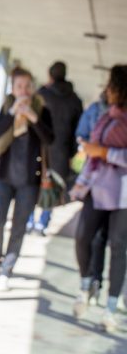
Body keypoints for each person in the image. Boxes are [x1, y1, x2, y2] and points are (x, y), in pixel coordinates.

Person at [0, 67, 54, 291]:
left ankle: (6, 271)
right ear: (13, 88)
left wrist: (32, 117)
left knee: (19, 226)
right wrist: (13, 112)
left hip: (29, 180)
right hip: (4, 175)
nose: (23, 90)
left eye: (27, 86)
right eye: (19, 86)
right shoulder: (6, 107)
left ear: (32, 88)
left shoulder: (41, 110)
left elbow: (49, 139)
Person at [71, 64, 127, 332]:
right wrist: (81, 184)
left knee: (118, 247)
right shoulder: (106, 116)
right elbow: (92, 154)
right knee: (83, 236)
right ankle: (87, 285)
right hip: (97, 188)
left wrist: (105, 153)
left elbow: (102, 152)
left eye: (112, 86)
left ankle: (111, 307)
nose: (108, 90)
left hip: (124, 195)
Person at [27, 61, 83, 235]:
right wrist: (71, 153)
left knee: (32, 184)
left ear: (50, 75)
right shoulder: (75, 100)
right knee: (53, 187)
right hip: (62, 149)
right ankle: (42, 223)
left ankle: (28, 221)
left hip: (39, 147)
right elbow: (78, 130)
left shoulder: (41, 94)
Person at [74, 91, 110, 305]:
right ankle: (89, 279)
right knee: (87, 236)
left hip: (115, 186)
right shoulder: (96, 111)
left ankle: (96, 280)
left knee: (102, 238)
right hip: (94, 178)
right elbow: (81, 135)